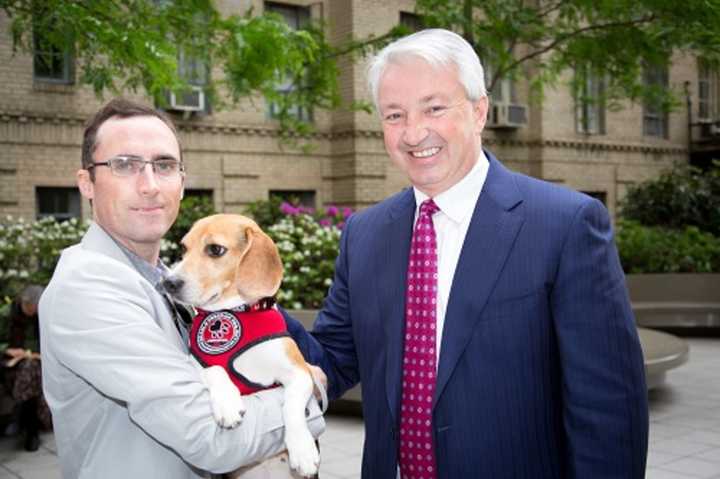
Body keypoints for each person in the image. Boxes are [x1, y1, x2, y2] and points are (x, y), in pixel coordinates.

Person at [284, 29, 649, 478]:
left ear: (479, 111)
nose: (414, 132)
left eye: (434, 108)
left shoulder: (566, 225)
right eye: (394, 115)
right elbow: (332, 360)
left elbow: (608, 408)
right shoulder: (364, 234)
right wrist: (248, 307)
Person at [38, 98, 325, 479]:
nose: (150, 185)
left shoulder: (169, 282)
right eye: (124, 165)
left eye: (164, 165)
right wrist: (311, 390)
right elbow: (212, 437)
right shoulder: (87, 287)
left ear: (182, 183)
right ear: (86, 183)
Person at [2, 284, 51, 452]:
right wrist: (8, 350)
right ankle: (32, 431)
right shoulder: (6, 315)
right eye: (29, 307)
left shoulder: (43, 316)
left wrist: (36, 354)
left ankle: (19, 414)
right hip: (9, 364)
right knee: (30, 373)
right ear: (23, 301)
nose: (32, 311)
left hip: (36, 363)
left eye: (35, 308)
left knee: (31, 369)